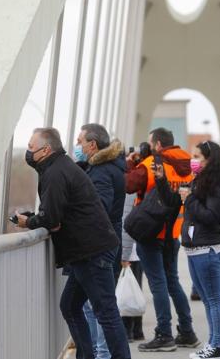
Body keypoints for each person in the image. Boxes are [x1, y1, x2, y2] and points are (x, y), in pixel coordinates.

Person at [17, 127, 130, 359]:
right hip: (88, 250)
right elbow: (55, 216)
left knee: (106, 312)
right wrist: (43, 219)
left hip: (91, 250)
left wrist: (29, 222)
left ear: (46, 149)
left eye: (30, 147)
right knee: (70, 306)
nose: (28, 152)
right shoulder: (60, 167)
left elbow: (52, 219)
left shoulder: (55, 173)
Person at [156, 141, 220, 359]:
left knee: (214, 300)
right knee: (207, 299)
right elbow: (174, 202)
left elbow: (212, 216)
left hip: (208, 248)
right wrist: (161, 181)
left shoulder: (217, 184)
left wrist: (190, 199)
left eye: (197, 156)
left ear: (209, 159)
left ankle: (217, 346)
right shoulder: (201, 181)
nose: (193, 160)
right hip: (196, 248)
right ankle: (212, 343)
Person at [125, 127, 200, 352]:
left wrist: (131, 163)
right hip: (173, 231)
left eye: (150, 143)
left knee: (157, 284)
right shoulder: (188, 164)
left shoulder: (152, 164)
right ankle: (187, 332)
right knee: (172, 282)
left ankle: (164, 334)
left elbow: (128, 184)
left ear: (157, 144)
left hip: (151, 232)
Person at [73, 123, 127, 359]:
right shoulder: (106, 167)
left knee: (105, 310)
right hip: (99, 245)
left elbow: (99, 209)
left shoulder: (102, 171)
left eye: (80, 141)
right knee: (71, 305)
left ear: (92, 144)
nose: (77, 146)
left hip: (97, 248)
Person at [121, 193, 146, 342]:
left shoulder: (128, 190)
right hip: (138, 246)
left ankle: (127, 331)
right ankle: (137, 330)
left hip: (130, 249)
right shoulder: (139, 188)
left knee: (127, 289)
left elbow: (125, 219)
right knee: (135, 288)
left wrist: (124, 253)